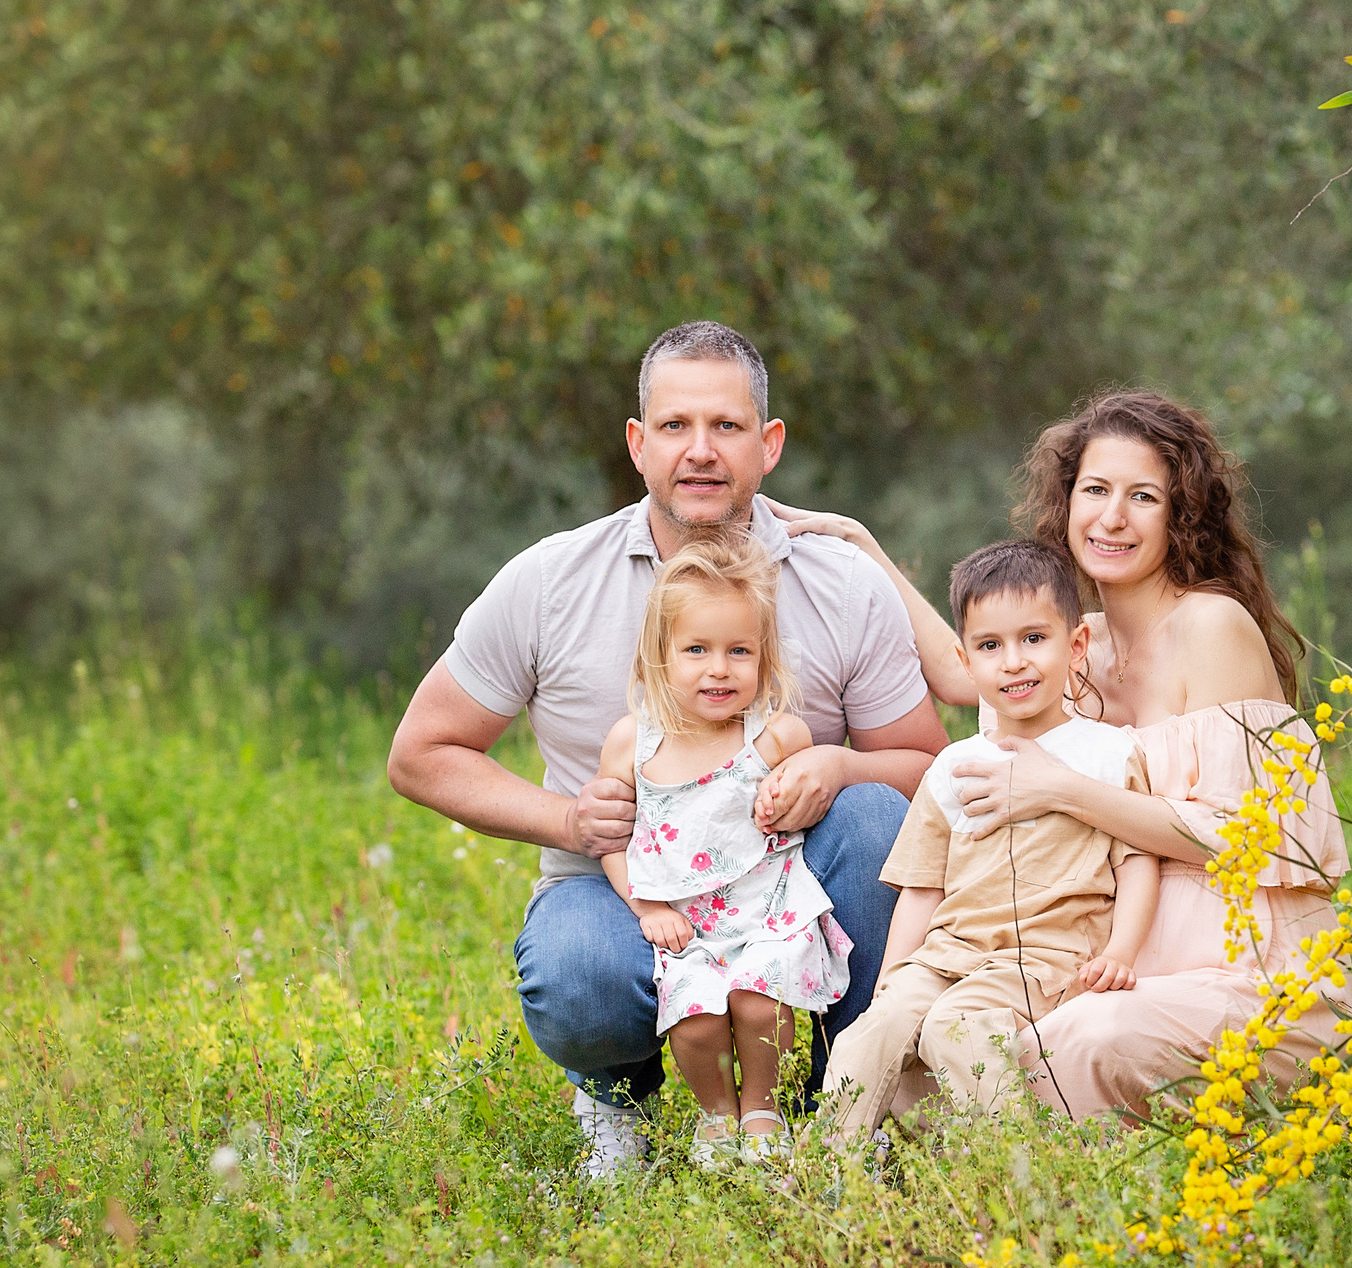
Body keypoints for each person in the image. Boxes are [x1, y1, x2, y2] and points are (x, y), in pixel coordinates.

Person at [387, 321, 948, 1177]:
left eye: (726, 427)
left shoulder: (841, 582)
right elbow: (422, 751)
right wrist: (571, 818)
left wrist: (840, 765)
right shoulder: (551, 579)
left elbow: (925, 765)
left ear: (770, 445)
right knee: (575, 970)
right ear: (638, 445)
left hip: (786, 886)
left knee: (876, 817)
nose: (700, 451)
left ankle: (837, 1100)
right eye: (676, 427)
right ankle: (617, 1096)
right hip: (626, 892)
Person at [775, 387, 1348, 1121]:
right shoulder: (1077, 650)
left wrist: (1063, 789)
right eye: (1096, 490)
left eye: (1143, 495)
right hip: (1095, 957)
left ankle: (1061, 1205)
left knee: (1067, 1045)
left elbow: (1268, 839)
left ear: (1181, 514)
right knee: (928, 1059)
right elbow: (963, 665)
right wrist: (863, 548)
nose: (1113, 516)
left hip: (1240, 961)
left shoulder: (1213, 627)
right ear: (1067, 501)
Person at [818, 540, 1157, 1141]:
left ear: (1076, 646)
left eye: (1034, 639)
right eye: (990, 646)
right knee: (872, 1029)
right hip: (948, 952)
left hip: (1044, 955)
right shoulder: (952, 767)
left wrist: (1122, 952)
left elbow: (1136, 863)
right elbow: (922, 889)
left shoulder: (1108, 754)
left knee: (955, 1029)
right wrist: (894, 975)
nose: (1014, 663)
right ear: (965, 659)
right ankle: (831, 1172)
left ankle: (1020, 1173)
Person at [598, 540, 850, 1167]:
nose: (720, 669)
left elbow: (805, 795)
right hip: (687, 925)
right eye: (697, 650)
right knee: (696, 1017)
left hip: (766, 910)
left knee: (760, 1002)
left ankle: (762, 1108)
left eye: (739, 651)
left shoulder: (775, 736)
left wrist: (784, 791)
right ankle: (716, 1114)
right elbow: (613, 836)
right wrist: (644, 903)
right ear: (660, 656)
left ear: (764, 660)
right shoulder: (634, 743)